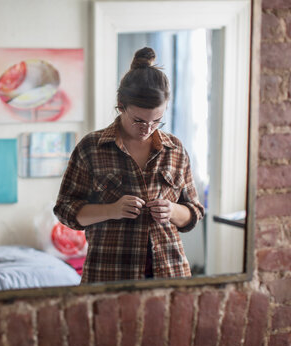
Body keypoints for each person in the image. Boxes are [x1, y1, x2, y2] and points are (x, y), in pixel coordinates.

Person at [53, 47, 205, 283]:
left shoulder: (175, 150)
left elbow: (194, 212)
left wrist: (172, 211)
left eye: (157, 121)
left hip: (170, 274)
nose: (147, 128)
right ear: (120, 104)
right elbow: (65, 210)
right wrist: (111, 210)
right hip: (108, 275)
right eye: (139, 120)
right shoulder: (91, 148)